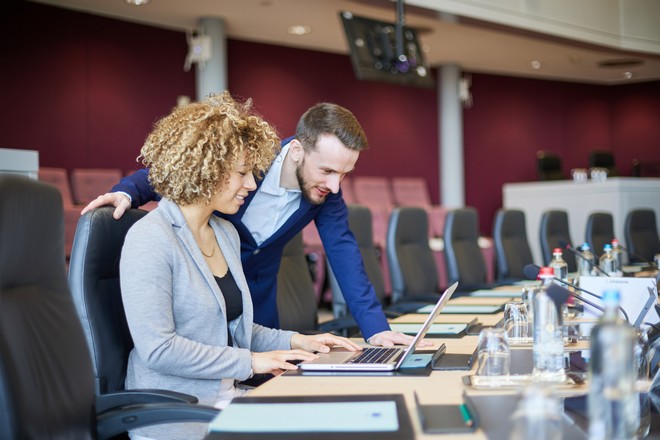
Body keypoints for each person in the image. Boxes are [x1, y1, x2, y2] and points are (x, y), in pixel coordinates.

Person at [83, 100, 428, 348]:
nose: (336, 185)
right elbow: (186, 169)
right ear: (296, 151)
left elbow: (345, 254)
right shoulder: (248, 161)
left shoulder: (327, 195)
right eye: (327, 170)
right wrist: (127, 193)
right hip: (199, 293)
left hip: (256, 301)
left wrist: (376, 330)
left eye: (345, 174)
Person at [119, 91, 361, 440]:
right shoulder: (151, 238)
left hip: (227, 399)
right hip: (177, 413)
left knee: (340, 417)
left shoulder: (225, 234)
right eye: (242, 173)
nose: (252, 184)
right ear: (206, 170)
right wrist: (250, 362)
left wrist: (299, 341)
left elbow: (241, 331)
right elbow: (159, 350)